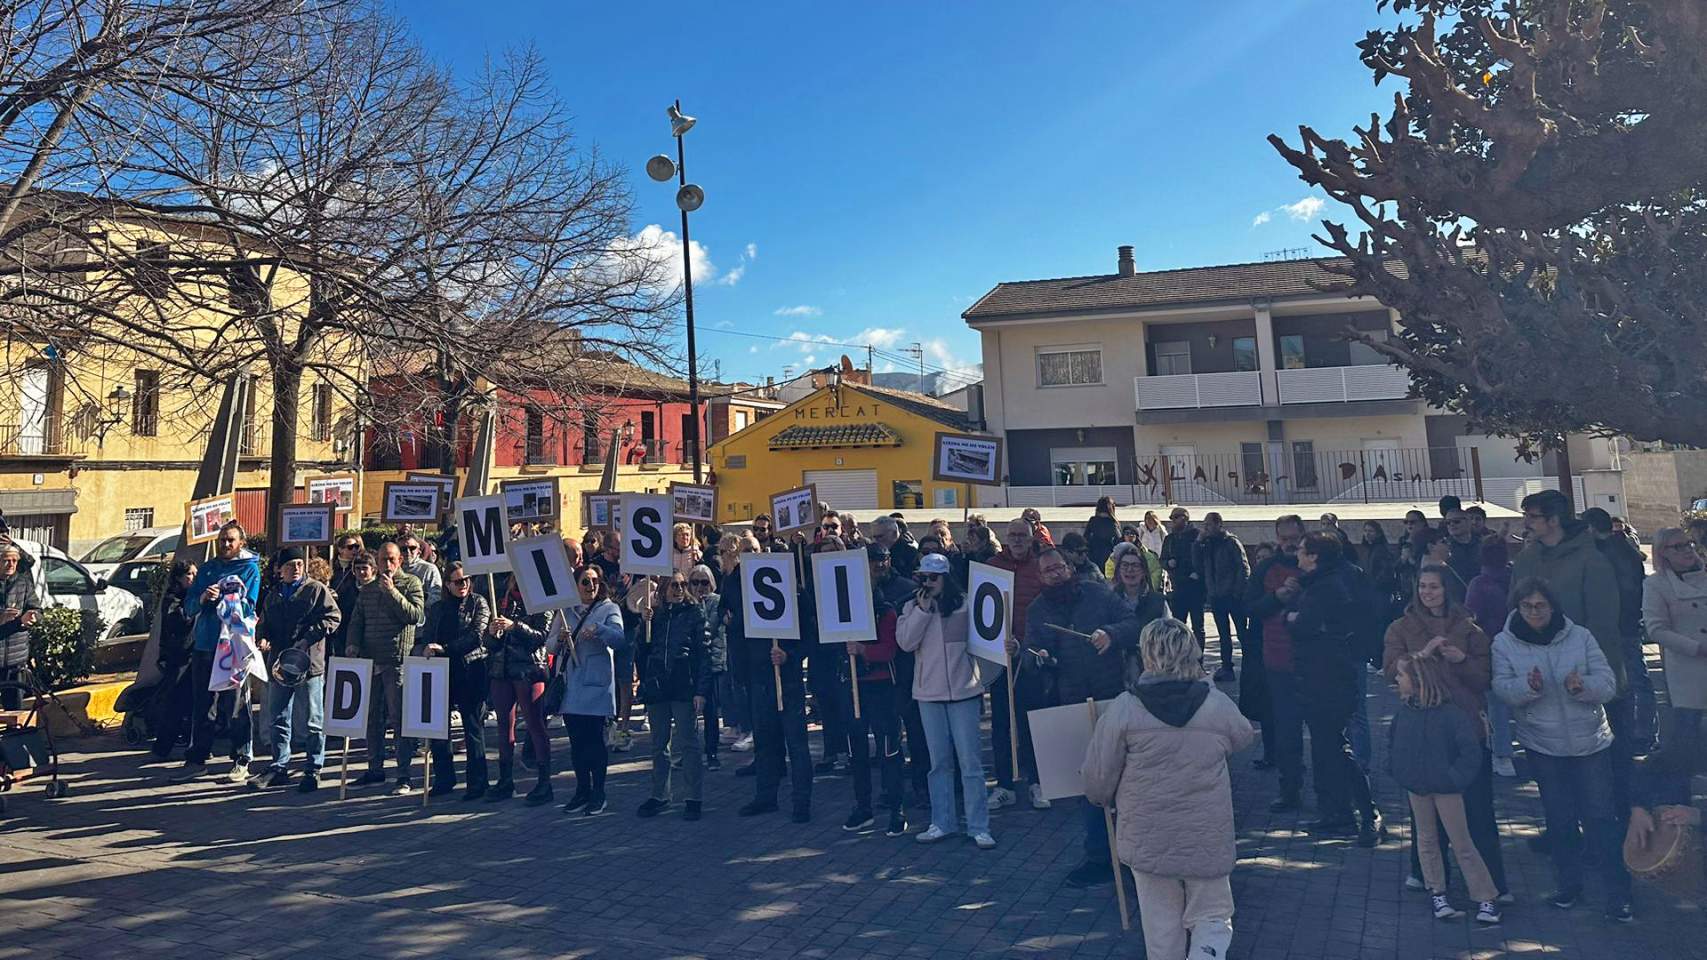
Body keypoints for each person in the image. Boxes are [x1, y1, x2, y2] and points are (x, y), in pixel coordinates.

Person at [1083, 618, 1256, 960]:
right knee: (1211, 916)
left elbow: (1099, 777)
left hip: (1148, 835)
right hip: (1205, 834)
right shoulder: (1216, 705)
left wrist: (1100, 797)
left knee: (1161, 928)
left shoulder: (1125, 708)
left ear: (1147, 654)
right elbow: (1243, 737)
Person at [1492, 577, 1631, 921]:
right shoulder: (1503, 643)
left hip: (1590, 742)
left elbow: (1608, 684)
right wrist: (1528, 687)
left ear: (1553, 606)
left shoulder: (1580, 636)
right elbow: (1502, 688)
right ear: (1517, 608)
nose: (1534, 612)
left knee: (1601, 818)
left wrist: (1582, 686)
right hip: (1543, 744)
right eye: (1527, 606)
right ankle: (1569, 886)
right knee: (1560, 820)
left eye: (1540, 605)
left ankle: (1618, 893)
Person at [1381, 564, 1509, 899]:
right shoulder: (1401, 627)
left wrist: (1461, 658)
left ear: (1447, 589)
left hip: (1466, 727)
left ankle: (1492, 883)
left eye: (1434, 587)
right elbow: (1390, 670)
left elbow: (1484, 678)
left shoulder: (1470, 628)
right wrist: (1420, 656)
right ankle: (1429, 877)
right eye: (1422, 586)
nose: (1427, 593)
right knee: (1426, 813)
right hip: (1425, 730)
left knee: (1478, 810)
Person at [1029, 546, 1142, 886]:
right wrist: (1039, 657)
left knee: (1123, 780)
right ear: (1041, 577)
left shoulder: (1097, 592)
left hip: (1111, 697)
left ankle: (1131, 854)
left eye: (1060, 568)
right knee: (1088, 785)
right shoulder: (1037, 610)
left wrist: (1111, 633)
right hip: (1071, 702)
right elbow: (1032, 652)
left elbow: (1132, 623)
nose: (1056, 574)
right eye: (1049, 571)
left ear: (1069, 568)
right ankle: (1097, 855)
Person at [1512, 490, 1629, 812]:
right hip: (1539, 679)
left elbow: (1603, 624)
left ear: (1554, 520)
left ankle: (1605, 841)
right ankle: (1561, 834)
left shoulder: (1591, 559)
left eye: (1532, 516)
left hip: (1582, 678)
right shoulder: (1526, 559)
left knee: (1597, 775)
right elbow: (1514, 616)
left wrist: (1602, 682)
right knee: (1549, 772)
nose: (1526, 523)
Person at [1387, 654, 1503, 925]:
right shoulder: (1404, 714)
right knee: (1426, 841)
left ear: (1418, 682)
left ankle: (1486, 896)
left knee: (1462, 842)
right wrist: (1400, 773)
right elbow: (1393, 746)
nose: (1396, 680)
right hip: (1418, 788)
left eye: (1401, 676)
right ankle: (1437, 892)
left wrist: (1454, 779)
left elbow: (1470, 752)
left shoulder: (1451, 715)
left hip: (1447, 789)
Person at [1288, 533, 1382, 846]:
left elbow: (1306, 626)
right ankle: (1337, 812)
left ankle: (1365, 813)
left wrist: (1293, 618)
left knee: (1335, 747)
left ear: (1314, 556)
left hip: (1327, 675)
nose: (1297, 556)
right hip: (1326, 674)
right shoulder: (1335, 578)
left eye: (1301, 551)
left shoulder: (1326, 586)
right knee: (1327, 747)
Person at [896, 553, 994, 849]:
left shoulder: (965, 604)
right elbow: (906, 643)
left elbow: (986, 639)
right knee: (938, 763)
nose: (928, 583)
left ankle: (979, 826)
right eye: (923, 577)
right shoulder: (911, 606)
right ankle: (942, 821)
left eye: (934, 577)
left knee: (970, 763)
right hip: (928, 694)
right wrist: (923, 611)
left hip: (964, 692)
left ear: (946, 577)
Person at [729, 538, 813, 822]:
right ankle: (766, 797)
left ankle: (802, 802)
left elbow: (811, 639)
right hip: (760, 680)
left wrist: (789, 655)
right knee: (765, 743)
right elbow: (738, 636)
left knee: (797, 745)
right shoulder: (746, 596)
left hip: (787, 681)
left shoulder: (797, 596)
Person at [171, 522, 262, 783]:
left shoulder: (249, 569)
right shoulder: (208, 569)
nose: (225, 544)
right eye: (222, 539)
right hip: (205, 644)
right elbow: (188, 607)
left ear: (241, 543)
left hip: (232, 646)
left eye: (231, 540)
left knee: (234, 705)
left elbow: (250, 607)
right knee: (203, 704)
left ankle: (241, 758)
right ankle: (197, 757)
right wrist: (202, 599)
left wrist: (227, 600)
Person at [253, 548, 341, 791]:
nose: (297, 568)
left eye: (299, 564)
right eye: (291, 564)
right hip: (281, 665)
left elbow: (333, 617)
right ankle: (280, 765)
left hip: (309, 665)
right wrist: (262, 638)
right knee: (278, 718)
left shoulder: (315, 590)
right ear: (279, 569)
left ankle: (313, 768)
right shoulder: (273, 596)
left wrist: (309, 638)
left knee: (313, 721)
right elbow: (264, 623)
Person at [633, 573, 711, 820]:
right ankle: (660, 794)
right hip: (658, 686)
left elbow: (704, 653)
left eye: (682, 585)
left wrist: (701, 690)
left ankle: (693, 797)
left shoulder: (694, 613)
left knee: (688, 743)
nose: (679, 589)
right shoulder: (655, 616)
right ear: (664, 589)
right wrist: (643, 624)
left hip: (683, 686)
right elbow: (642, 652)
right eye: (674, 585)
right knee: (658, 744)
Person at [350, 542, 426, 795]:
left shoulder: (411, 584)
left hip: (397, 661)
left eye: (392, 559)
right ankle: (375, 768)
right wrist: (352, 644)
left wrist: (393, 592)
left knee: (399, 719)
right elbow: (357, 620)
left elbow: (414, 616)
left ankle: (403, 775)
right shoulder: (367, 590)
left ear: (400, 561)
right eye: (383, 560)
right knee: (373, 718)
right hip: (371, 661)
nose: (388, 564)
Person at [554, 564, 627, 816]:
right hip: (572, 686)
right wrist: (561, 639)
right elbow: (550, 646)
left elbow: (619, 639)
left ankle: (599, 792)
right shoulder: (565, 610)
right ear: (576, 585)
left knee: (595, 742)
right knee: (576, 743)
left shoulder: (609, 609)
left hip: (596, 686)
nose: (590, 586)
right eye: (585, 581)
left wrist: (600, 630)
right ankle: (581, 790)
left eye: (595, 581)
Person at [1244, 516, 1307, 801]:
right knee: (1286, 729)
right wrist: (1277, 598)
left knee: (1326, 731)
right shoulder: (1265, 568)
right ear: (1277, 538)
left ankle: (1334, 797)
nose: (1290, 544)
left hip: (1315, 661)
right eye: (1284, 539)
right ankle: (1289, 788)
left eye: (1294, 538)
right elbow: (1250, 607)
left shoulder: (1313, 563)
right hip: (1278, 659)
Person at [1584, 506, 1656, 754]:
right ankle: (1642, 730)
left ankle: (1638, 732)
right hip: (1627, 623)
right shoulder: (1625, 550)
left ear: (1592, 528)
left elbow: (1622, 592)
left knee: (1630, 680)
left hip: (1619, 625)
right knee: (1633, 679)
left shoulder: (1607, 554)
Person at [842, 558, 906, 837]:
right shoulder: (842, 615)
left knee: (889, 750)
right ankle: (863, 807)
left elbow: (890, 650)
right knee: (856, 751)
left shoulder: (886, 612)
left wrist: (863, 651)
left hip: (882, 688)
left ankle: (896, 809)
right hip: (855, 686)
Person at [418, 562, 491, 800]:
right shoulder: (438, 608)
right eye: (458, 581)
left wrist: (446, 648)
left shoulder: (478, 602)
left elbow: (477, 636)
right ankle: (444, 778)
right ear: (447, 584)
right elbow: (429, 633)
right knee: (439, 729)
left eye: (467, 580)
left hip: (470, 669)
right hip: (442, 671)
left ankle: (477, 783)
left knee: (472, 727)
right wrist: (428, 648)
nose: (464, 585)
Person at [987, 518, 1046, 811]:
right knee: (1000, 724)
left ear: (1031, 537)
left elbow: (1046, 611)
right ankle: (1004, 785)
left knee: (1031, 722)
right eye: (1013, 535)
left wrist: (1027, 644)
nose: (1018, 540)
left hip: (1030, 657)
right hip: (1000, 657)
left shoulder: (1039, 567)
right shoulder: (992, 566)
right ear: (1005, 538)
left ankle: (1037, 781)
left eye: (1023, 535)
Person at [486, 578, 555, 805]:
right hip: (502, 670)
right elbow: (490, 643)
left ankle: (545, 782)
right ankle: (506, 780)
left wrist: (515, 626)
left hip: (528, 669)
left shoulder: (541, 600)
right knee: (504, 726)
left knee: (535, 725)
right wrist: (491, 632)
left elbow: (542, 636)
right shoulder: (503, 600)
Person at [1642, 528, 1707, 766]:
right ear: (1663, 553)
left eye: (1689, 544)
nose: (1687, 550)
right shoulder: (1656, 585)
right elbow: (1656, 629)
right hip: (1687, 673)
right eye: (1678, 546)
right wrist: (1696, 648)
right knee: (1686, 746)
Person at [870, 542, 930, 799]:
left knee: (917, 734)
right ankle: (890, 789)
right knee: (887, 737)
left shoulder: (907, 588)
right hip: (880, 675)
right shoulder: (860, 591)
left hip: (907, 670)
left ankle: (921, 786)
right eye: (874, 560)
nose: (880, 564)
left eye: (883, 558)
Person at [1465, 537, 1518, 778]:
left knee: (1495, 704)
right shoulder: (1515, 578)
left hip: (1490, 647)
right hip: (1518, 646)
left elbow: (1472, 619)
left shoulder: (1479, 584)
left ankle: (1502, 753)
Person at [147, 559, 197, 760]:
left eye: (195, 574)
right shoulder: (173, 599)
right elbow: (179, 622)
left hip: (193, 654)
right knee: (174, 702)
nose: (193, 578)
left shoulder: (190, 595)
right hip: (178, 657)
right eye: (189, 575)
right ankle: (162, 746)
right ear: (178, 578)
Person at [1194, 512, 1248, 683]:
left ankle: (1250, 663)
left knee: (1241, 632)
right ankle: (1227, 667)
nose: (1206, 528)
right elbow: (1198, 565)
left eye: (1209, 525)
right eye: (1205, 525)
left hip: (1232, 595)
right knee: (1223, 634)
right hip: (1216, 596)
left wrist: (1237, 591)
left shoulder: (1231, 543)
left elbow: (1243, 567)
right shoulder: (1208, 544)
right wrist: (1198, 543)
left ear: (1219, 524)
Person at [688, 564, 727, 771]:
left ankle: (712, 751)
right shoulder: (685, 603)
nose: (700, 587)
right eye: (695, 582)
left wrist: (699, 606)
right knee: (687, 710)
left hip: (710, 662)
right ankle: (688, 751)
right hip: (688, 663)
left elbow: (709, 627)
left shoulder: (717, 602)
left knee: (710, 711)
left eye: (704, 582)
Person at [1161, 508, 1205, 648]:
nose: (1172, 521)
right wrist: (1168, 563)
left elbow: (1206, 558)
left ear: (1184, 518)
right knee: (1178, 626)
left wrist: (1198, 572)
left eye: (1175, 518)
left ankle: (1199, 660)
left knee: (1198, 626)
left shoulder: (1197, 535)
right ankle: (1180, 656)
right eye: (1172, 518)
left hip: (1195, 587)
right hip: (1178, 586)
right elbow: (1162, 559)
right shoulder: (1170, 539)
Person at [401, 534, 441, 623]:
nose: (408, 552)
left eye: (412, 548)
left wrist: (420, 596)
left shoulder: (429, 569)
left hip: (421, 626)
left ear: (419, 551)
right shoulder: (393, 569)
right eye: (403, 549)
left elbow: (437, 598)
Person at [1442, 507, 1483, 588]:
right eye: (1447, 522)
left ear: (1468, 521)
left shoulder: (1482, 544)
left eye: (1456, 521)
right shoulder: (1443, 547)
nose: (1451, 525)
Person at [872, 515, 917, 579]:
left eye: (880, 536)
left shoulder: (909, 552)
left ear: (894, 533)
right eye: (874, 537)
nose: (876, 541)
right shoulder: (874, 552)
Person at [1085, 496, 1120, 572]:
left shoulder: (1093, 521)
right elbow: (1118, 541)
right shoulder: (1112, 523)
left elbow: (1085, 538)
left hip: (1093, 556)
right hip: (1108, 557)